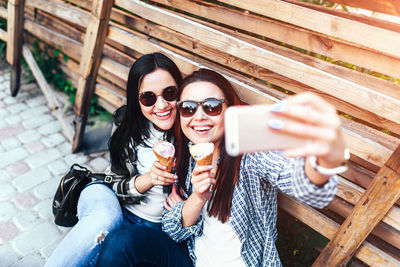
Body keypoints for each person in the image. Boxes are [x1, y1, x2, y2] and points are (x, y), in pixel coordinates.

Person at [96, 69, 346, 267]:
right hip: (193, 261)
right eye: (189, 108)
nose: (199, 116)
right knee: (122, 242)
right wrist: (197, 198)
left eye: (212, 106)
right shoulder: (188, 156)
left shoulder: (249, 155)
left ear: (229, 111)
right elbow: (173, 228)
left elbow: (306, 185)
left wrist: (324, 156)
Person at [45, 52, 183, 267]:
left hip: (151, 230)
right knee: (105, 219)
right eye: (148, 97)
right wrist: (148, 179)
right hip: (110, 203)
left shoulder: (192, 130)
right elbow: (113, 181)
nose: (162, 104)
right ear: (137, 100)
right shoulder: (126, 122)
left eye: (170, 92)